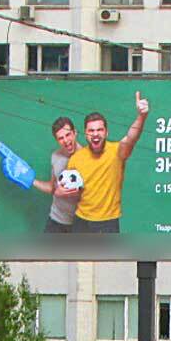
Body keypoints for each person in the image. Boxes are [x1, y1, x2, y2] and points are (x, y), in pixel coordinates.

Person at [67, 91, 150, 234]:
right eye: (91, 130)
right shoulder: (76, 158)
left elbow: (131, 138)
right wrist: (65, 191)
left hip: (108, 223)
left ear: (106, 133)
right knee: (81, 257)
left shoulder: (117, 152)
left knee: (107, 257)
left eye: (100, 129)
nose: (95, 134)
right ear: (85, 134)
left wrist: (142, 117)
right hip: (81, 221)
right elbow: (72, 192)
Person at [28, 117, 82, 233]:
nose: (66, 140)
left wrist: (72, 192)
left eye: (68, 135)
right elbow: (52, 187)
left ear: (75, 133)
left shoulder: (88, 158)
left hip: (80, 223)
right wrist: (30, 180)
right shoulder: (55, 156)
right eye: (61, 138)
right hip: (56, 220)